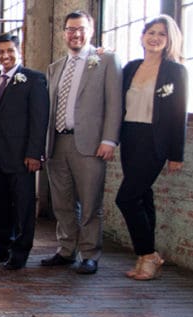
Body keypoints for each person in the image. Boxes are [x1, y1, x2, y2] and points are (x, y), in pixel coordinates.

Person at [44, 10, 123, 274]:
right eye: (70, 29)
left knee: (90, 203)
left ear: (90, 31)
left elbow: (114, 103)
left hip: (89, 144)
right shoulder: (55, 67)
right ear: (63, 32)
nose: (75, 34)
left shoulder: (106, 61)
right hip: (57, 143)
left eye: (80, 29)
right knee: (62, 202)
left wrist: (109, 139)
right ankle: (66, 249)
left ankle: (89, 253)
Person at [115, 15, 187, 281]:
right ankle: (145, 260)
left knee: (125, 198)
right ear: (143, 36)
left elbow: (180, 115)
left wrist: (176, 154)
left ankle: (149, 254)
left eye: (162, 34)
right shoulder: (131, 68)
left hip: (155, 140)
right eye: (151, 32)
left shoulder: (175, 71)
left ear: (169, 41)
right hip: (130, 137)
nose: (155, 37)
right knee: (143, 197)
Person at [0, 33, 49, 270]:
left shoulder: (34, 80)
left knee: (23, 206)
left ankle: (21, 252)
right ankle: (3, 246)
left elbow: (39, 120)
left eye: (10, 51)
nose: (5, 56)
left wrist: (34, 153)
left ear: (19, 52)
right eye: (1, 52)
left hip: (21, 155)